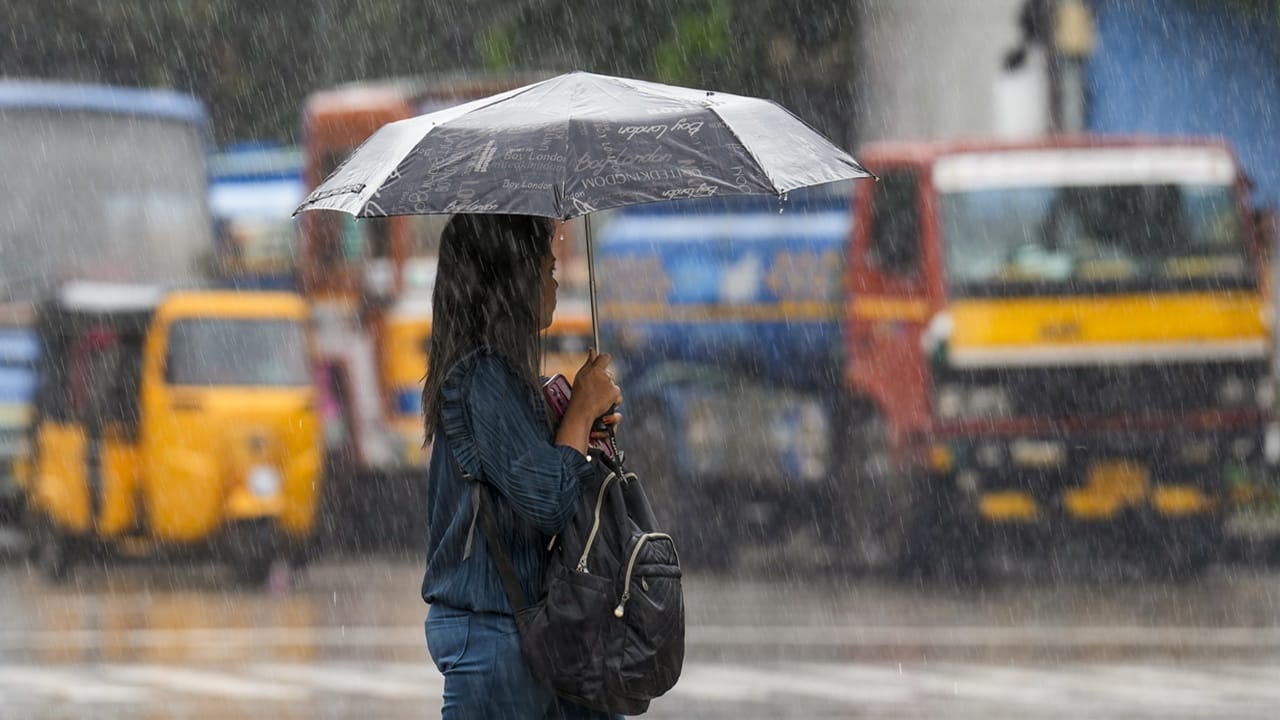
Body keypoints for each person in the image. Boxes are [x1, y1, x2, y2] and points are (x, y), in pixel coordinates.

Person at [420, 213, 623, 720]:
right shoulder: (481, 378)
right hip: (494, 636)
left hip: (530, 629)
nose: (554, 278)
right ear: (512, 279)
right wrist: (578, 413)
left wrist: (579, 425)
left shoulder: (504, 379)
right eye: (546, 266)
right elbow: (547, 502)